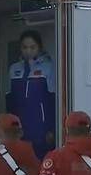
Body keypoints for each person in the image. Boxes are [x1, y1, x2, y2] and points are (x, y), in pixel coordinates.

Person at [6, 30, 56, 160]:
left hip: (41, 126)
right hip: (19, 127)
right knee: (21, 162)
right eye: (24, 47)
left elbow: (53, 100)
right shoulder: (14, 69)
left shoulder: (48, 68)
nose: (28, 51)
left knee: (42, 161)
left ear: (39, 47)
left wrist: (52, 128)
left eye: (32, 47)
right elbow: (10, 101)